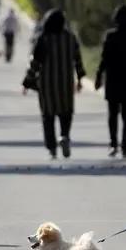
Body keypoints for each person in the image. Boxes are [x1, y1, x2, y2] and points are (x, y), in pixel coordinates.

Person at [22, 9, 86, 159]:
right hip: (65, 84)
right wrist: (80, 79)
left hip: (47, 86)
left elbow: (35, 63)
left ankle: (52, 148)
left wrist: (27, 82)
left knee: (48, 117)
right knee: (66, 113)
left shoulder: (43, 39)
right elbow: (78, 60)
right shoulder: (70, 38)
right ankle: (64, 136)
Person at [94, 5, 126, 158]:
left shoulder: (110, 36)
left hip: (113, 80)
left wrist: (98, 76)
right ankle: (125, 146)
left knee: (113, 115)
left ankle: (113, 144)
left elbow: (104, 58)